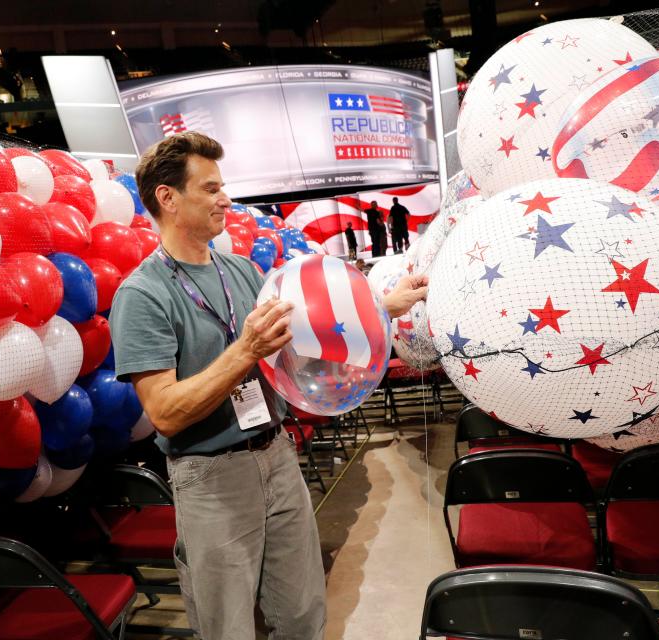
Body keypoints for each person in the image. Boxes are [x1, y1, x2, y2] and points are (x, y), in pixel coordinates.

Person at [109, 132, 428, 640]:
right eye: (211, 188)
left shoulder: (241, 269)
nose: (226, 200)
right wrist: (246, 351)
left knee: (302, 614)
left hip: (276, 456)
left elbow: (304, 340)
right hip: (210, 479)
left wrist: (383, 307)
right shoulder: (142, 294)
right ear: (167, 198)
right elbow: (165, 413)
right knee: (227, 627)